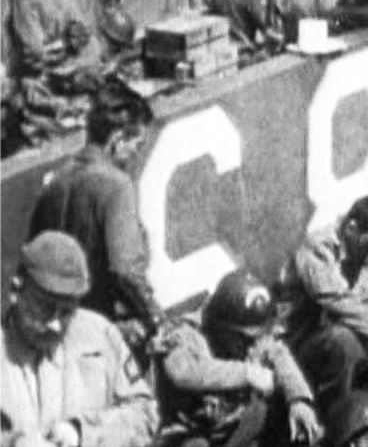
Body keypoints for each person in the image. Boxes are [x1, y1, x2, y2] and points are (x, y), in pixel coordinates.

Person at [29, 75, 161, 359]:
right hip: (95, 336)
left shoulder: (55, 183)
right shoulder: (116, 186)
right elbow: (125, 271)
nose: (134, 155)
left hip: (53, 339)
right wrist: (156, 319)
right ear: (117, 140)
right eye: (135, 145)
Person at [279, 196, 368, 443]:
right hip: (295, 346)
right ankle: (333, 424)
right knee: (346, 340)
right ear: (351, 228)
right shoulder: (318, 248)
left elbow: (362, 307)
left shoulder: (364, 255)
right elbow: (337, 303)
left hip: (328, 338)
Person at [1, 231, 158, 445]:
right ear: (16, 290)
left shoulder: (100, 336)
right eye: (44, 309)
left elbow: (146, 414)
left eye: (66, 312)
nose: (55, 324)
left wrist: (81, 432)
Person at [157, 269, 323, 447]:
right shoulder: (184, 333)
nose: (253, 345)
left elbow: (278, 353)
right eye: (247, 339)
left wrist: (298, 399)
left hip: (235, 423)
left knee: (297, 423)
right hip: (194, 431)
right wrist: (247, 374)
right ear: (223, 328)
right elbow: (183, 372)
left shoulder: (251, 334)